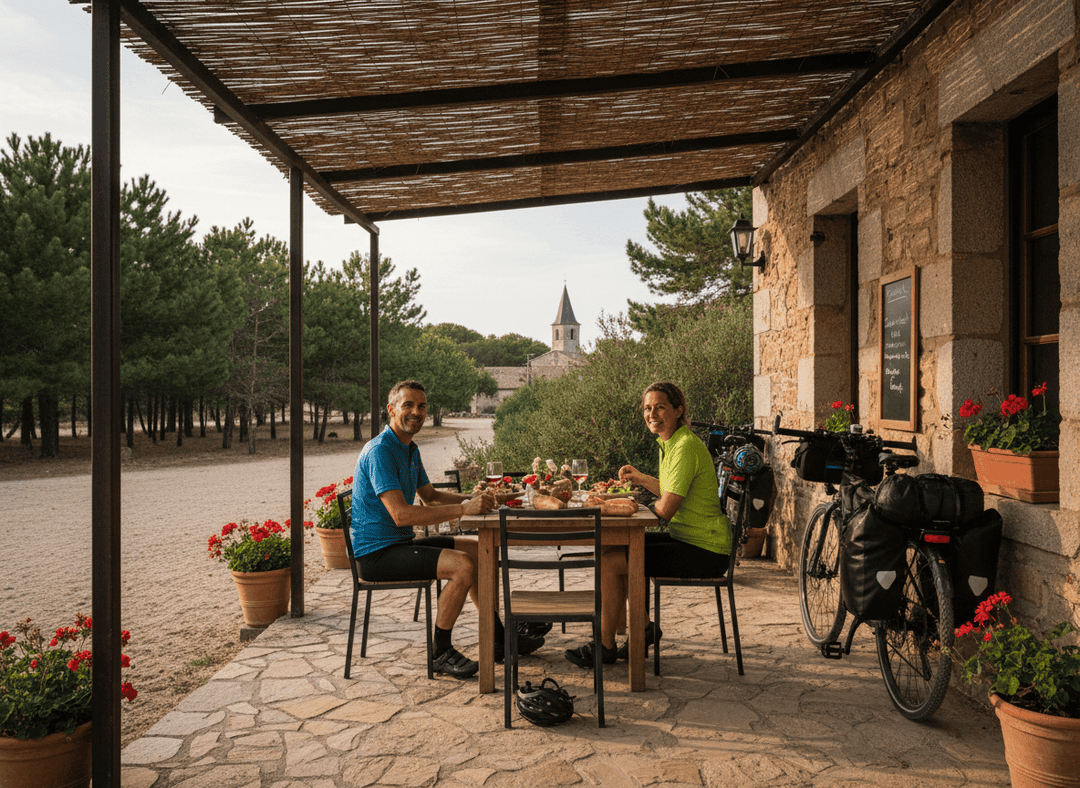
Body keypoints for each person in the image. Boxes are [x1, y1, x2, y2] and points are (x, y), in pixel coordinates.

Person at [351, 380, 545, 679]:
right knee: (463, 566)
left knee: (479, 549)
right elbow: (402, 515)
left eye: (422, 406)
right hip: (378, 555)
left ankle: (496, 637)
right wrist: (464, 509)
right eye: (408, 405)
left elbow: (430, 496)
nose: (416, 412)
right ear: (391, 410)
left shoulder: (409, 448)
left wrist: (481, 499)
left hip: (399, 544)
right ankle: (440, 651)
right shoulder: (380, 451)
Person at [565, 380, 730, 667]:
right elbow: (670, 490)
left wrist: (626, 507)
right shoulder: (671, 442)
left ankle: (606, 645)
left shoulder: (685, 447)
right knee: (615, 549)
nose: (652, 414)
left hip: (706, 550)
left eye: (660, 407)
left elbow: (664, 510)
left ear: (678, 411)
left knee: (612, 561)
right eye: (647, 408)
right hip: (689, 538)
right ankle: (642, 629)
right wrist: (641, 479)